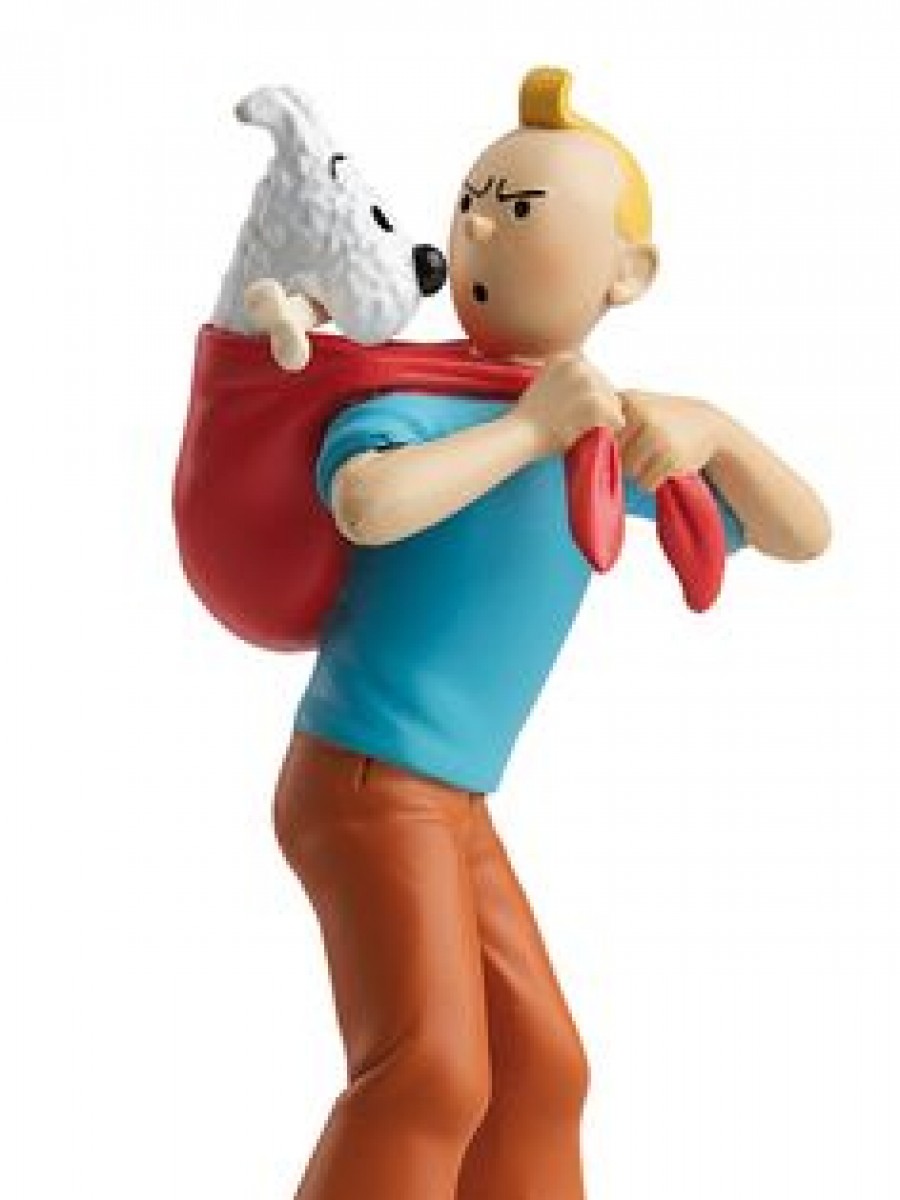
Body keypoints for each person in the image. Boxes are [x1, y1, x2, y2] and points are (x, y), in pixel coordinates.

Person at [272, 66, 830, 1200]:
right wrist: (530, 430)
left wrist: (717, 428)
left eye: (517, 206)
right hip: (365, 781)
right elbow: (367, 504)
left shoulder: (592, 435)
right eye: (474, 200)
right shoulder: (413, 400)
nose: (479, 224)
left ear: (628, 273)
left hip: (450, 797)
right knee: (427, 1072)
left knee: (541, 1071)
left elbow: (801, 533)